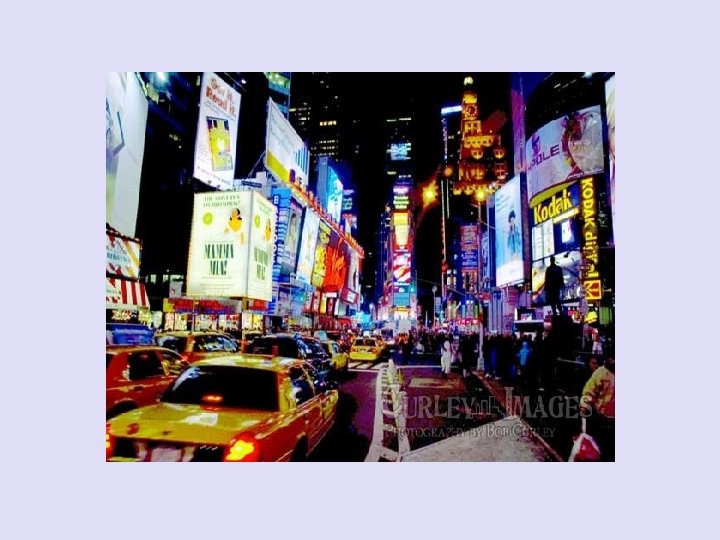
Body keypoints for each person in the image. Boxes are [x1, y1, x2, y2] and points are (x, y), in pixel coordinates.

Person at [580, 351, 615, 461]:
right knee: (601, 450)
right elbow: (589, 391)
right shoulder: (601, 373)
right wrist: (584, 404)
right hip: (601, 419)